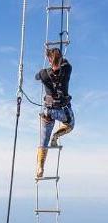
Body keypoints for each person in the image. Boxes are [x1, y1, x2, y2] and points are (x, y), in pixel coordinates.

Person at [35, 48, 75, 178]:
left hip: (49, 111)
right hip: (63, 111)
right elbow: (66, 63)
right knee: (70, 124)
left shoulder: (43, 74)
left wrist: (47, 69)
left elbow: (37, 77)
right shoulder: (67, 69)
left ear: (49, 59)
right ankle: (56, 137)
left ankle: (40, 168)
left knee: (43, 142)